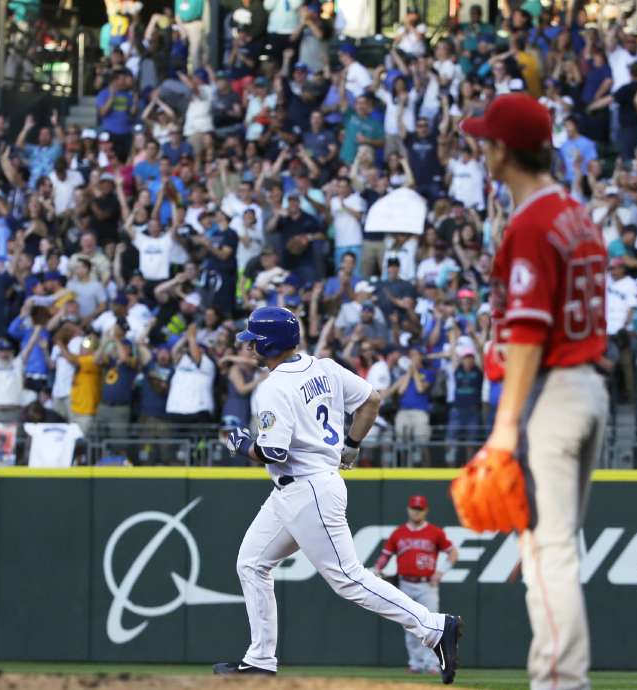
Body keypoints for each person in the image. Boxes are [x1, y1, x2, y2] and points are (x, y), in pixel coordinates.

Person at [213, 306, 461, 681]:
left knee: (349, 578)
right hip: (298, 488)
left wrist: (239, 443)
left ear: (268, 343)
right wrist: (351, 446)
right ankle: (260, 660)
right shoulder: (323, 367)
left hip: (308, 487)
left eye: (254, 342)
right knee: (251, 563)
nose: (250, 349)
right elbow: (372, 400)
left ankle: (434, 628)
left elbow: (272, 453)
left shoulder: (274, 387)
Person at [456, 93, 608, 690]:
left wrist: (503, 428)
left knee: (550, 555)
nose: (482, 150)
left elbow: (524, 334)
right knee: (550, 550)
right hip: (587, 388)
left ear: (503, 151)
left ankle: (560, 682)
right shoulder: (576, 212)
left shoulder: (533, 223)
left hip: (552, 393)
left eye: (487, 142)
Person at [373, 495, 460, 675]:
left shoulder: (435, 532)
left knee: (430, 625)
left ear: (426, 511)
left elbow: (453, 552)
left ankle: (432, 665)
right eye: (414, 508)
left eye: (420, 509)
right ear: (408, 509)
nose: (416, 511)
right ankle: (416, 663)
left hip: (427, 585)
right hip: (405, 583)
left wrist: (441, 571)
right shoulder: (398, 533)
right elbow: (385, 555)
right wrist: (377, 569)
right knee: (409, 625)